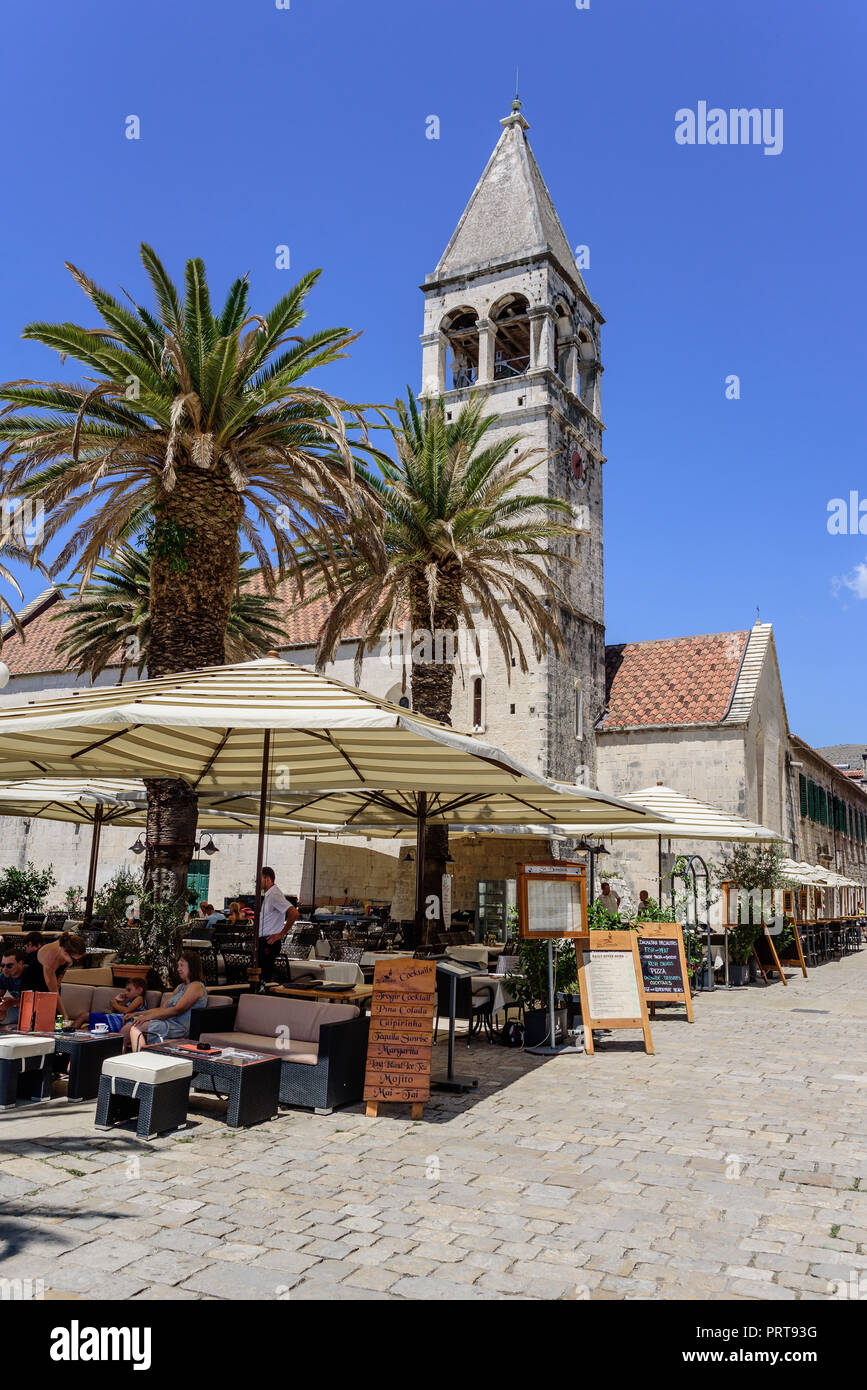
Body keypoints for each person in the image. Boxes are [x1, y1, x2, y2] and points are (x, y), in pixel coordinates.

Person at [128, 952, 207, 1051]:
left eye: (182, 965)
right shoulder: (180, 987)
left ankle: (138, 1059)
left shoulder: (196, 986)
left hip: (179, 1028)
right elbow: (162, 1009)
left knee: (137, 1026)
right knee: (128, 1025)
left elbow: (177, 1010)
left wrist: (146, 1018)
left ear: (192, 966)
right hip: (167, 1023)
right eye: (178, 966)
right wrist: (138, 1013)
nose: (178, 969)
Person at [21, 933, 87, 1020]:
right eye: (75, 960)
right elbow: (53, 992)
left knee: (55, 1016)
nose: (77, 962)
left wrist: (59, 982)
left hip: (51, 976)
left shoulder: (67, 944)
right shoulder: (50, 959)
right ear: (66, 953)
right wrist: (65, 1016)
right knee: (42, 1018)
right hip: (33, 981)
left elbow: (63, 969)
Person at [72, 979, 147, 1033]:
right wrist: (117, 1001)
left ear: (139, 990)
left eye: (129, 990)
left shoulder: (139, 998)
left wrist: (114, 1003)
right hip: (113, 1020)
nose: (126, 992)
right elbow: (115, 1011)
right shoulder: (129, 1000)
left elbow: (126, 1010)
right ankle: (69, 1034)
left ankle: (68, 1033)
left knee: (84, 1017)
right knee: (85, 1026)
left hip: (115, 1023)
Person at [258, 868, 292, 981]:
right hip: (264, 940)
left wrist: (281, 934)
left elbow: (294, 913)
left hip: (269, 941)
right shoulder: (269, 895)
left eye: (259, 879)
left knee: (264, 977)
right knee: (260, 975)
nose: (256, 882)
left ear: (267, 879)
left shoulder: (274, 895)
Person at [0, 949, 27, 1028]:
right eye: (2, 965)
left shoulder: (29, 975)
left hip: (33, 1010)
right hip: (17, 1008)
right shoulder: (4, 975)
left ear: (20, 963)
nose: (5, 968)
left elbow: (34, 1002)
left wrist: (13, 1002)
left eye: (9, 966)